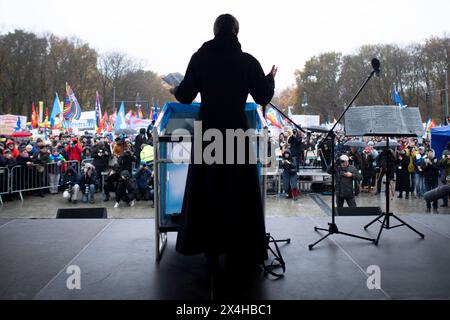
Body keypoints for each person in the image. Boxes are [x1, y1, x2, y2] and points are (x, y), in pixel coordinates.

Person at [171, 13, 276, 269]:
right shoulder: (247, 61)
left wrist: (175, 89)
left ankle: (210, 249)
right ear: (236, 33)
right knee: (237, 188)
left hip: (209, 133)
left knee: (208, 188)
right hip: (237, 133)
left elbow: (185, 96)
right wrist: (271, 77)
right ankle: (240, 246)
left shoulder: (200, 58)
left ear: (215, 31)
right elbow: (263, 95)